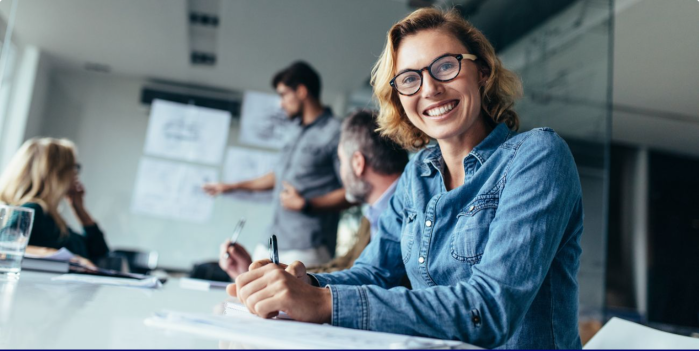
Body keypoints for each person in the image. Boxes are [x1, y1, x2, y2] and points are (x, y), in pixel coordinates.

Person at [227, 8, 584, 350]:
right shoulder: (418, 173)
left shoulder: (538, 156)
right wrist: (303, 283)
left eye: (446, 66)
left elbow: (488, 309)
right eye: (410, 79)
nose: (429, 89)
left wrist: (323, 302)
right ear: (399, 98)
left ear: (483, 72)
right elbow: (375, 272)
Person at [219, 110, 409, 278]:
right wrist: (257, 275)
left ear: (358, 163)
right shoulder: (373, 217)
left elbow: (366, 283)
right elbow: (346, 269)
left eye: (341, 161)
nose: (340, 175)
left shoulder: (410, 214)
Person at [203, 61, 352, 266]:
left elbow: (354, 192)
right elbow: (279, 175)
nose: (281, 103)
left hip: (307, 248)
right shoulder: (293, 131)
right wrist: (232, 186)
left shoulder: (337, 132)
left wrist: (308, 205)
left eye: (283, 95)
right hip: (270, 241)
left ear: (301, 91)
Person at [0, 138, 109, 265]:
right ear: (56, 172)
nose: (76, 174)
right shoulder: (33, 209)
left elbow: (99, 251)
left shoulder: (50, 217)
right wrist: (71, 259)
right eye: (74, 167)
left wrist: (79, 208)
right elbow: (6, 247)